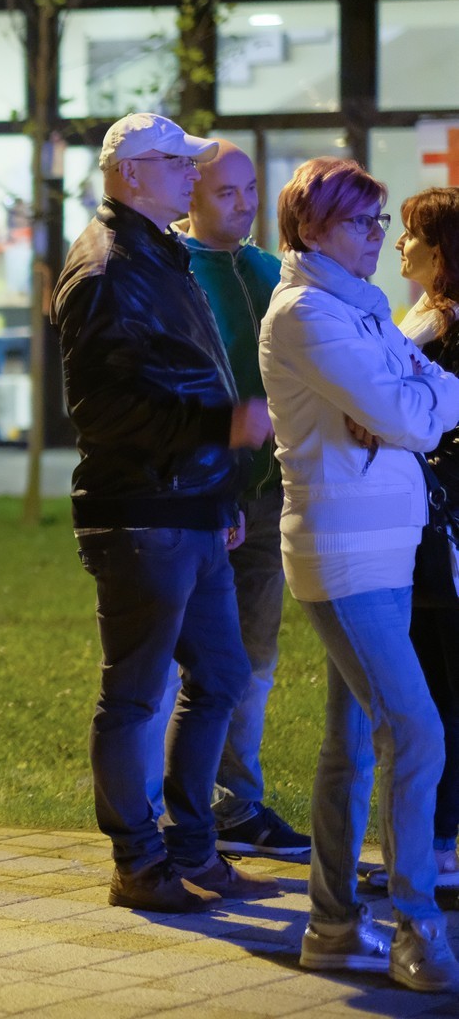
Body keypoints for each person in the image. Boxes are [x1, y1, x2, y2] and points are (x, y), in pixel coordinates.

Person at [52, 112, 278, 914]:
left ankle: (192, 850)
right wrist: (224, 429)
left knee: (220, 678)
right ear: (130, 174)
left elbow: (185, 373)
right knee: (136, 693)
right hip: (143, 511)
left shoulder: (158, 252)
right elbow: (105, 412)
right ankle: (139, 864)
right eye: (176, 163)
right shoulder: (107, 268)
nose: (191, 174)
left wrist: (221, 489)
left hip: (191, 504)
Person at [261, 159, 459, 991]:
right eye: (360, 222)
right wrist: (409, 401)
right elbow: (412, 414)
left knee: (352, 744)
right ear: (312, 229)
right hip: (345, 552)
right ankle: (418, 926)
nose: (377, 237)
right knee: (416, 732)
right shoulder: (307, 312)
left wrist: (411, 398)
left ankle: (334, 925)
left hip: (386, 545)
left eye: (380, 222)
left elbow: (432, 390)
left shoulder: (361, 306)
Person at [143, 139, 310, 857]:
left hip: (268, 495)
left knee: (254, 661)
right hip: (201, 497)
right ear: (190, 195)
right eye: (225, 192)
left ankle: (236, 803)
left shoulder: (267, 270)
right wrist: (218, 483)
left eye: (249, 191)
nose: (243, 205)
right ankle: (166, 811)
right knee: (184, 665)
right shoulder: (173, 274)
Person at [398, 187, 459, 892]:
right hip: (428, 533)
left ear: (441, 251)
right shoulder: (424, 317)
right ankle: (436, 843)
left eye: (411, 234)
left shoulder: (442, 328)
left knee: (440, 692)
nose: (398, 243)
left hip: (442, 537)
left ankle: (439, 845)